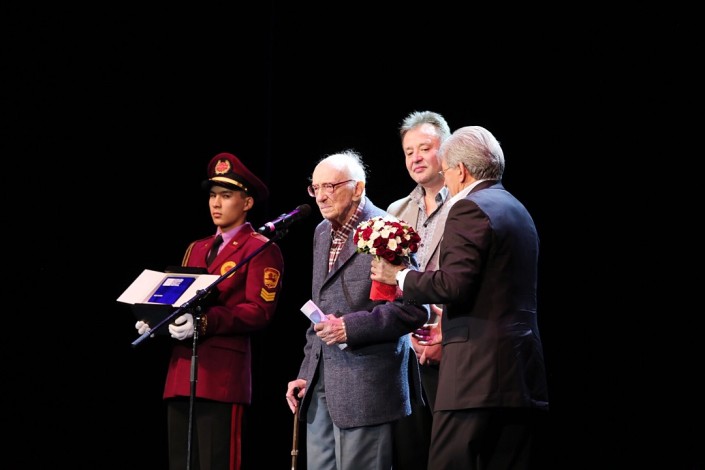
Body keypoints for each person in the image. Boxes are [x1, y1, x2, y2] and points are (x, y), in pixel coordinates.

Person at [371, 126, 549, 469]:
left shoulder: (468, 207)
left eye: (446, 171)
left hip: (474, 375)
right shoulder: (518, 209)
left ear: (461, 171)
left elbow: (452, 285)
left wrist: (400, 276)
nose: (446, 180)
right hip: (521, 374)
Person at [135, 152, 285, 470]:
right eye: (213, 195)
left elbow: (259, 311)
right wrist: (155, 320)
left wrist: (205, 321)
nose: (216, 203)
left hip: (221, 376)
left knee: (216, 462)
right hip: (181, 372)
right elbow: (179, 301)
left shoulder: (260, 247)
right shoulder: (197, 247)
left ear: (247, 203)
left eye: (226, 196)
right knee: (181, 462)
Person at [284, 149, 429, 470]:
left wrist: (350, 328)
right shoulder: (322, 231)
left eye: (330, 186)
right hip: (322, 383)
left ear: (358, 188)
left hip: (366, 385)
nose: (321, 196)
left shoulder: (387, 230)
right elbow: (319, 306)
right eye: (315, 188)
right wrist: (306, 373)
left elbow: (413, 310)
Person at [386, 110, 452, 470]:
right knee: (410, 454)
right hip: (407, 348)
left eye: (424, 148)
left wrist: (445, 333)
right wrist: (406, 334)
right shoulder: (396, 210)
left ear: (447, 149)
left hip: (454, 345)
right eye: (409, 151)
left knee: (450, 453)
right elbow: (387, 281)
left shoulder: (464, 204)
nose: (416, 158)